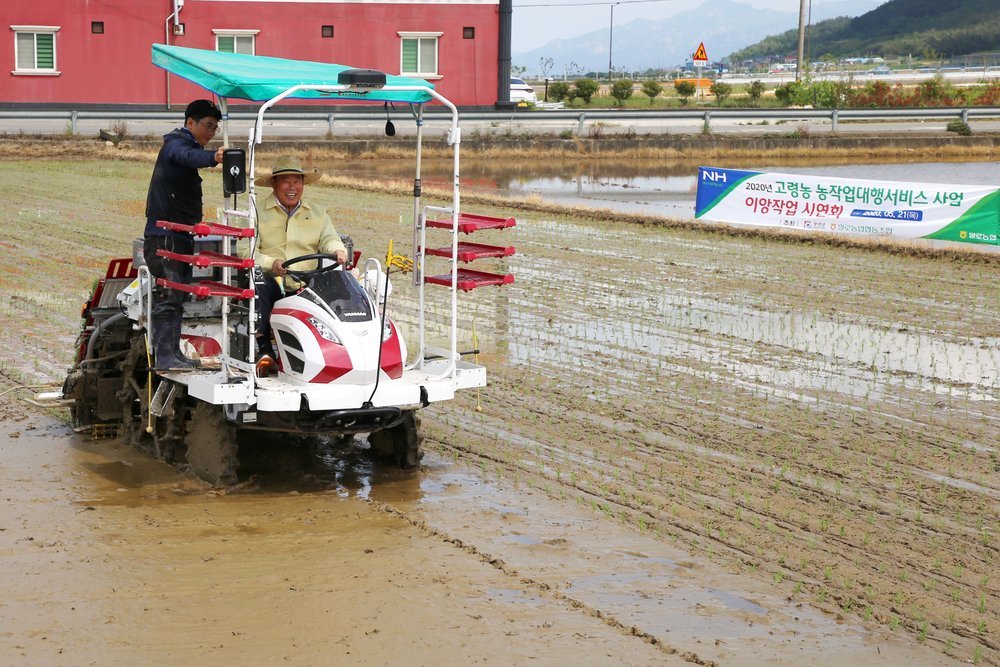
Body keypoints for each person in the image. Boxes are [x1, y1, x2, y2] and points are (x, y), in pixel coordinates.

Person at [238, 155, 348, 360]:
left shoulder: (318, 213)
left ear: (303, 184)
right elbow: (245, 250)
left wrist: (338, 250)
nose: (292, 187)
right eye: (286, 181)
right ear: (274, 183)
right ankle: (264, 348)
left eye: (297, 181)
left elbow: (330, 238)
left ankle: (330, 351)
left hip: (308, 281)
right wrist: (272, 263)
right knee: (258, 279)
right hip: (271, 281)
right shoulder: (255, 212)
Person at [144, 99, 225, 370]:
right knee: (169, 296)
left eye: (215, 129)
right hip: (164, 237)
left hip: (179, 236)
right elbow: (188, 157)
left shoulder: (185, 145)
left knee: (177, 297)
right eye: (208, 126)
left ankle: (173, 354)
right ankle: (165, 357)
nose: (211, 133)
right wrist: (214, 157)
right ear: (190, 122)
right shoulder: (175, 145)